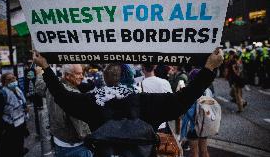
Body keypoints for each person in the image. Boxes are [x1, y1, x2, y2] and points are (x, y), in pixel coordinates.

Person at [33, 48, 224, 157]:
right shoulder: (147, 101)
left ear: (105, 79)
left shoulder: (92, 101)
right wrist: (208, 69)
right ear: (131, 78)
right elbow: (184, 98)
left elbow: (62, 96)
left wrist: (46, 68)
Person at [35, 64, 93, 157]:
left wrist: (39, 74)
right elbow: (82, 130)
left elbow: (39, 87)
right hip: (76, 147)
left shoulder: (52, 85)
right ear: (67, 75)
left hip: (59, 142)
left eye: (82, 73)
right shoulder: (74, 96)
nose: (82, 77)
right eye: (78, 74)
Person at [0, 72, 28, 157]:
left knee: (18, 149)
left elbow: (21, 105)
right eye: (9, 80)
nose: (12, 81)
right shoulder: (1, 95)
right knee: (8, 151)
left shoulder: (18, 91)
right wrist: (1, 131)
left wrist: (25, 109)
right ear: (4, 83)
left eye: (13, 78)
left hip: (19, 126)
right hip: (8, 128)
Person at [180, 69, 213, 157]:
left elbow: (188, 114)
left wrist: (183, 134)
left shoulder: (191, 92)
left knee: (194, 153)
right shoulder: (208, 90)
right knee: (204, 151)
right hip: (204, 124)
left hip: (193, 127)